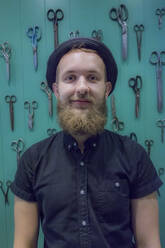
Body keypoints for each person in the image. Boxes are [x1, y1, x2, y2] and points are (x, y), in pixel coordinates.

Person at [11, 37, 163, 248]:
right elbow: (23, 243)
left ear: (107, 89)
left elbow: (149, 243)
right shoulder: (32, 161)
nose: (81, 88)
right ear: (56, 90)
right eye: (70, 78)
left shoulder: (135, 157)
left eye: (92, 78)